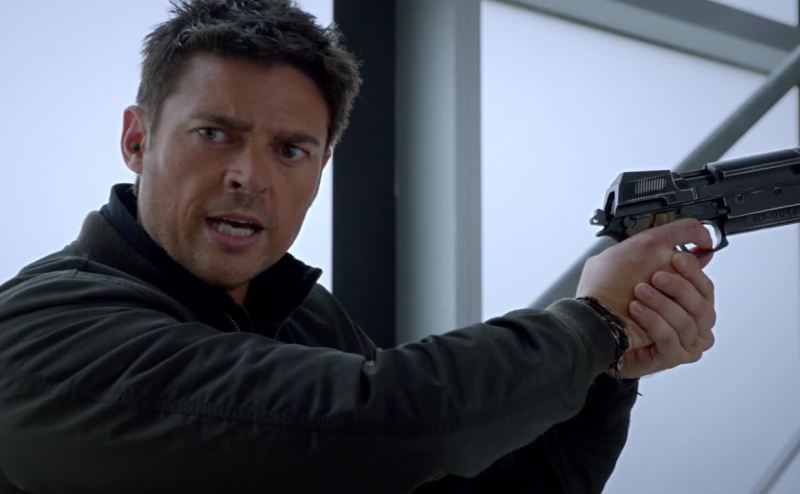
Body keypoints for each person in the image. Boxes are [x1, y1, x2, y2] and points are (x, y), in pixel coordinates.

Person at [0, 1, 716, 492]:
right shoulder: (41, 331)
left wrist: (608, 371)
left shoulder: (298, 312)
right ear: (137, 139)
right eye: (214, 134)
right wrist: (592, 324)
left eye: (290, 150)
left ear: (321, 168)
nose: (249, 176)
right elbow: (377, 423)